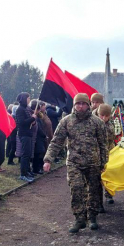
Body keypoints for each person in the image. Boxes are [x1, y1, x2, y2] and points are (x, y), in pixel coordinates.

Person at [43, 93, 109, 233]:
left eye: (83, 103)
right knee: (76, 188)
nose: (80, 106)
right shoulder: (66, 121)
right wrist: (48, 159)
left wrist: (104, 162)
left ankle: (92, 217)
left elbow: (103, 144)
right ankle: (79, 219)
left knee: (94, 190)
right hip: (74, 162)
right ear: (74, 105)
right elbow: (56, 142)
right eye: (78, 103)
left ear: (88, 105)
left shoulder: (97, 122)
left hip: (93, 162)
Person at [98, 103, 116, 206]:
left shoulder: (111, 123)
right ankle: (98, 201)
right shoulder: (94, 122)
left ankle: (109, 194)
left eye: (106, 115)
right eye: (102, 115)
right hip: (97, 153)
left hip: (110, 152)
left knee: (109, 175)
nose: (104, 117)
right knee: (97, 178)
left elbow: (113, 137)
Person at [15, 92, 36, 183]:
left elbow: (28, 122)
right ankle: (23, 174)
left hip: (28, 134)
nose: (29, 99)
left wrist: (33, 121)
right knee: (25, 155)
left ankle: (27, 171)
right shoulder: (20, 109)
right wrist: (32, 118)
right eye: (28, 98)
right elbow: (22, 123)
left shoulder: (26, 108)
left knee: (28, 154)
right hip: (24, 134)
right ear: (24, 98)